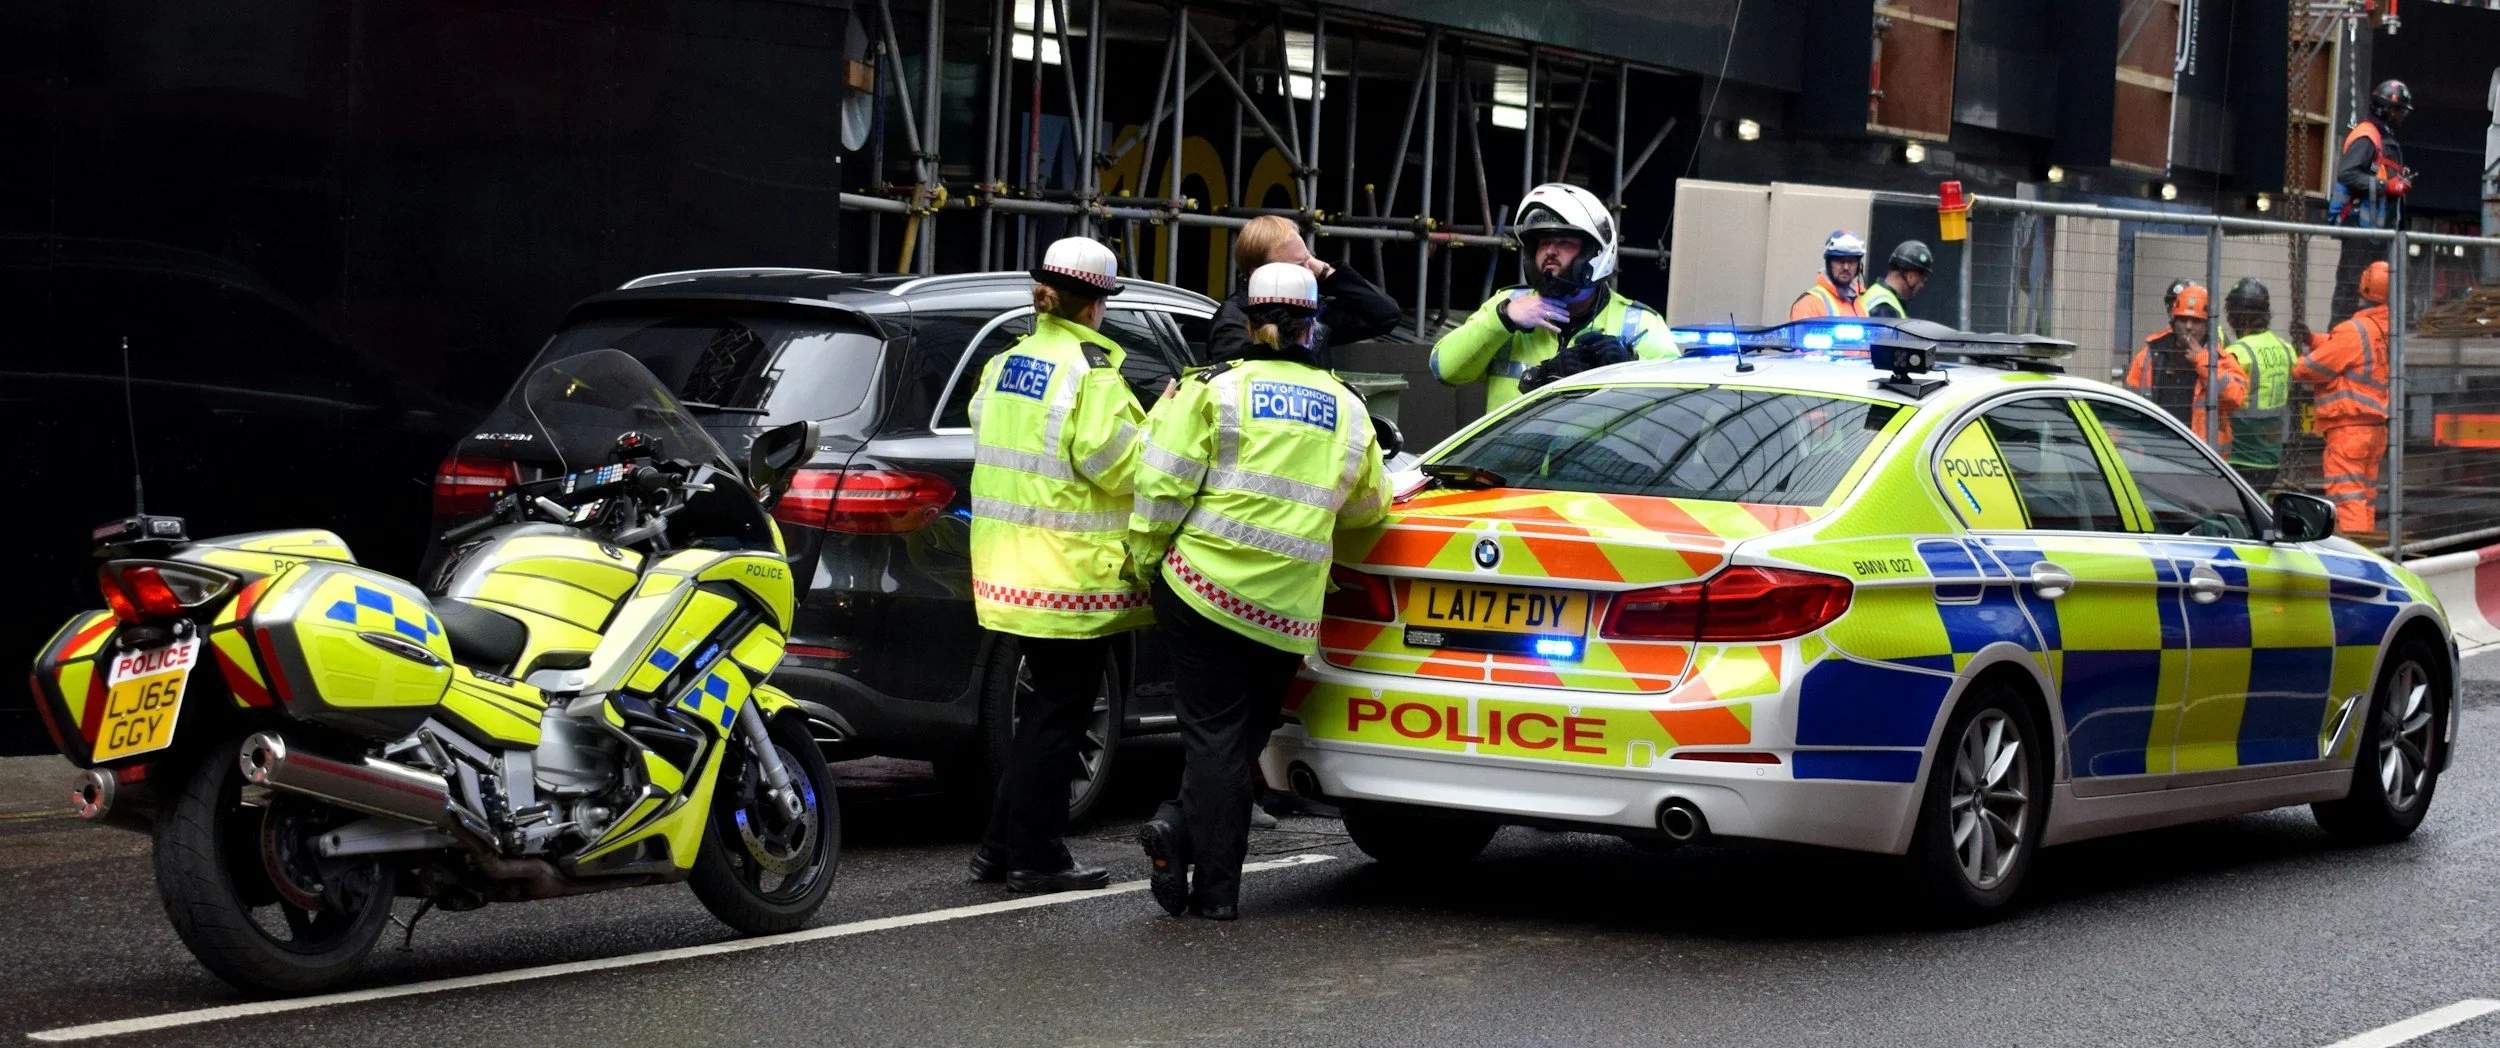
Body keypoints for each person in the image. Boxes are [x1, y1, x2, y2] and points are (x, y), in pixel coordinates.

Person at [1131, 262, 1392, 920]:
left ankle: (1210, 885)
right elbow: (1369, 509)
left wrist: (1144, 563)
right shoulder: (1347, 407)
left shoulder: (1210, 390)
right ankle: (1189, 848)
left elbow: (1160, 486)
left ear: (1247, 321)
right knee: (1239, 741)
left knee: (1214, 740)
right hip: (1285, 613)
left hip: (1200, 590)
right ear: (1312, 328)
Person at [963, 236, 1152, 894]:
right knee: (1060, 715)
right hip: (1068, 572)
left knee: (1048, 709)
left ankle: (999, 849)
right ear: (1096, 304)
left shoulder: (1007, 362)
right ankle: (1036, 855)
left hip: (1009, 566)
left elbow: (988, 431)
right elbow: (1117, 462)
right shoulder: (1092, 371)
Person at [1429, 182, 1674, 410]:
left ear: (1595, 252)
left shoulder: (1639, 323)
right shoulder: (1507, 305)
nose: (1549, 251)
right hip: (1510, 458)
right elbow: (1444, 369)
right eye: (1544, 242)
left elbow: (1679, 405)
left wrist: (1634, 365)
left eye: (1565, 242)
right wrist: (1502, 319)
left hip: (1596, 458)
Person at [1209, 215, 1400, 364]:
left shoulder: (1308, 307)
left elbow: (1385, 315)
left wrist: (1322, 270)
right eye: (1298, 266)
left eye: (1310, 261)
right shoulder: (1233, 321)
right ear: (1259, 273)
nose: (1309, 273)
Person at [2295, 260, 2394, 533]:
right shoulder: (2385, 329)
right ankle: (2369, 542)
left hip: (2348, 430)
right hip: (2374, 429)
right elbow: (2343, 350)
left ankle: (2357, 550)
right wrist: (2313, 339)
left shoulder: (2353, 330)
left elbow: (2314, 368)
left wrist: (2299, 363)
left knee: (2348, 497)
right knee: (2365, 496)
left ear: (2363, 286)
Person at [2124, 283, 2248, 454]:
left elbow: (2236, 399)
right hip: (2155, 453)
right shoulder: (2149, 356)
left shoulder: (2221, 359)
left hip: (2201, 458)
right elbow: (2129, 407)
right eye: (2183, 319)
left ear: (2207, 325)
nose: (2189, 326)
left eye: (2196, 321)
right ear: (2173, 322)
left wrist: (2202, 361)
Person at [2329, 80, 2414, 320]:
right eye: (2401, 110)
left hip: (2377, 231)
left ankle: (2374, 340)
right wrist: (2385, 185)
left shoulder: (2383, 137)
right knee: (2350, 285)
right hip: (2361, 229)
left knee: (2379, 288)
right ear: (2388, 109)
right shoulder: (2367, 136)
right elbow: (2347, 173)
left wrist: (2396, 182)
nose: (2403, 116)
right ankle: (2338, 338)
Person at [2220, 278, 2299, 490]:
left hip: (2238, 458)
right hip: (2271, 457)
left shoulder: (2237, 353)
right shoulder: (2286, 349)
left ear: (2234, 315)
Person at [1789, 230, 1870, 320]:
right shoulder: (1809, 303)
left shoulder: (1860, 302)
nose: (1846, 267)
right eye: (1840, 261)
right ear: (1828, 263)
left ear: (1859, 265)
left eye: (1851, 261)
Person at [1858, 240, 1934, 320]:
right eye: (1922, 280)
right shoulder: (1885, 309)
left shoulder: (1875, 292)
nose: (1922, 285)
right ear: (1910, 277)